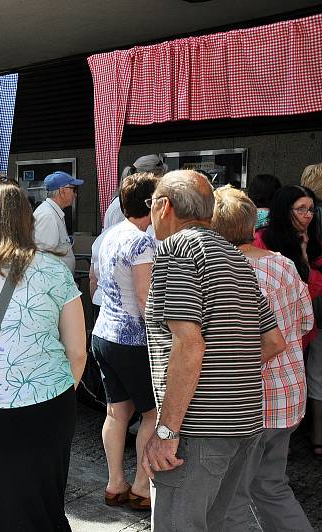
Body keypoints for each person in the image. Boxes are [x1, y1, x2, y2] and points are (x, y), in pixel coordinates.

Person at [143, 170, 285, 531]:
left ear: (164, 207)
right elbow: (272, 341)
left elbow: (188, 344)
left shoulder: (178, 248)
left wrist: (165, 433)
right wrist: (226, 373)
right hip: (244, 422)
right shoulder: (237, 256)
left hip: (200, 428)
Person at [0, 184, 86, 531]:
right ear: (27, 221)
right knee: (40, 498)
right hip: (46, 402)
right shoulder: (54, 271)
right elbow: (78, 350)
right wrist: (60, 390)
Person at [211, 186, 315, 531]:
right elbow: (305, 322)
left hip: (253, 405)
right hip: (289, 395)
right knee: (270, 486)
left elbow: (240, 347)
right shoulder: (282, 262)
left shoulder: (230, 273)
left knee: (233, 500)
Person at [91, 173, 160, 511]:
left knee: (117, 412)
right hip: (132, 339)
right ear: (152, 203)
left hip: (104, 332)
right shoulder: (142, 241)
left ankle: (114, 482)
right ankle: (141, 487)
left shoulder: (110, 234)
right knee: (152, 414)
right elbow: (147, 301)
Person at [254, 185, 322, 458]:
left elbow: (315, 287)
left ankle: (283, 437)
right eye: (301, 209)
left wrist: (304, 255)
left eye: (310, 209)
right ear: (285, 210)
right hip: (270, 327)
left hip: (297, 330)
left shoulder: (311, 239)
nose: (307, 216)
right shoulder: (262, 240)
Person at [33, 171, 83, 273]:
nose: (75, 194)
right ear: (62, 191)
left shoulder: (52, 212)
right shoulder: (48, 215)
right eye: (74, 189)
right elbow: (43, 260)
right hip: (53, 286)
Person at [104, 154, 168, 229]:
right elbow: (122, 235)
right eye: (159, 180)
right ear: (148, 178)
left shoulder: (134, 201)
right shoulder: (123, 204)